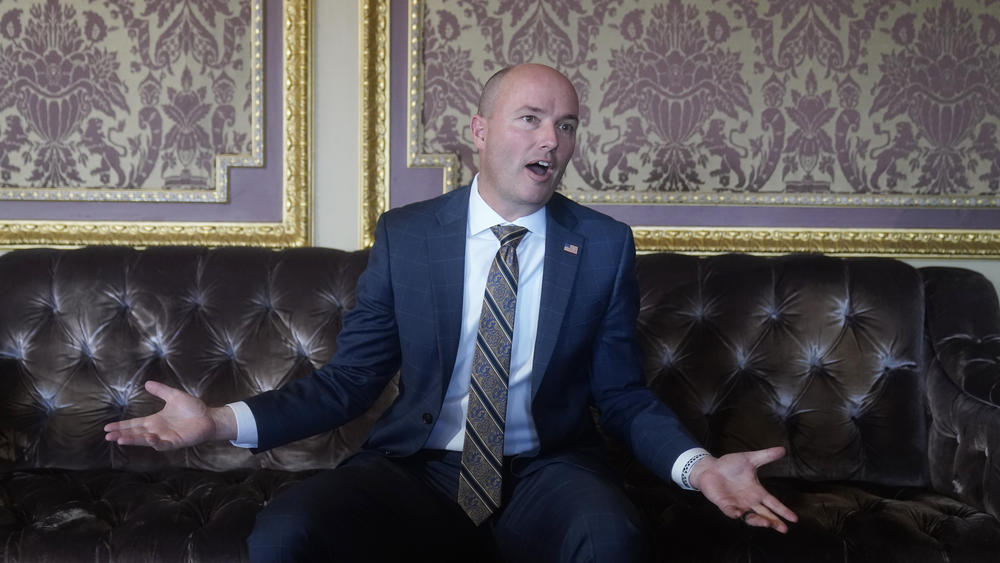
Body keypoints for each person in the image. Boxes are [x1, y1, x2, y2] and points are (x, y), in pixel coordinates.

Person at [105, 63, 797, 562]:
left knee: (613, 539)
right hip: (417, 467)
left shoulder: (604, 245)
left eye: (566, 125)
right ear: (480, 130)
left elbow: (619, 393)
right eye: (529, 119)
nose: (550, 141)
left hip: (548, 468)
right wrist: (220, 421)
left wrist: (700, 466)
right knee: (288, 530)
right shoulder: (408, 236)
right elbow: (349, 382)